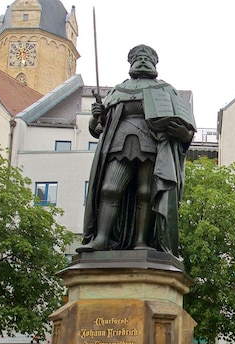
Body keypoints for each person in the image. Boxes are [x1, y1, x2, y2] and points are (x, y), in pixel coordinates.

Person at [77, 44, 195, 257]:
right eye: (137, 58)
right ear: (131, 63)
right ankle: (101, 239)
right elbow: (98, 129)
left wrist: (183, 133)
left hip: (152, 145)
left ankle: (142, 241)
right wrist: (96, 115)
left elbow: (187, 128)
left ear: (154, 63)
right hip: (118, 143)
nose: (142, 61)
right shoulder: (117, 90)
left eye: (146, 58)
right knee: (110, 189)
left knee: (146, 193)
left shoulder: (166, 90)